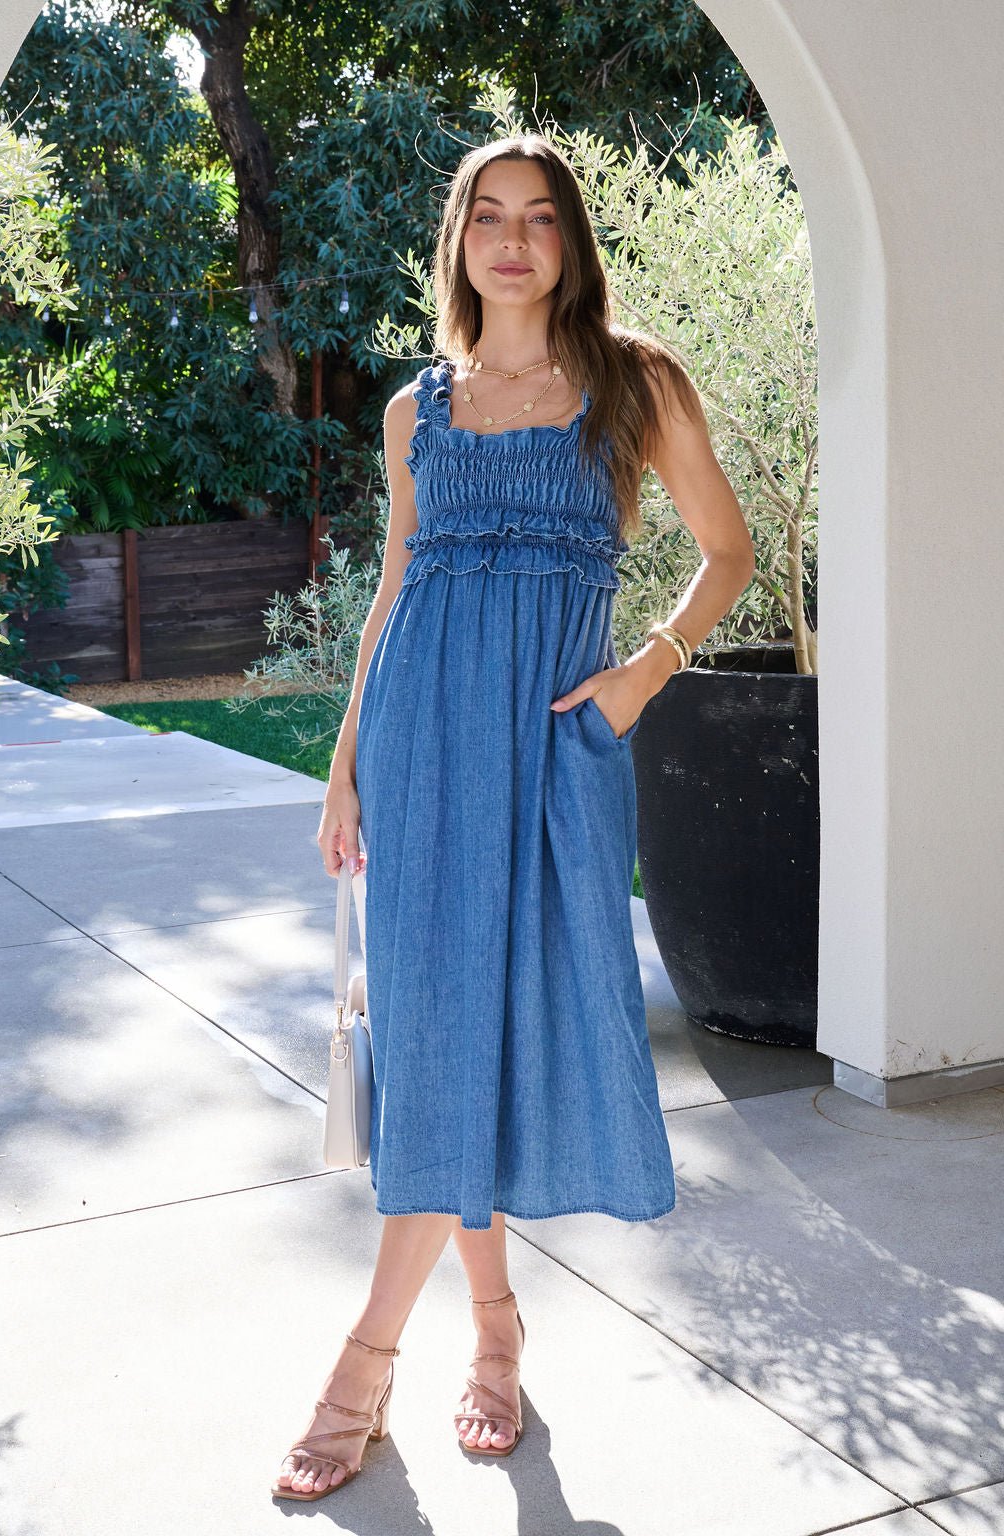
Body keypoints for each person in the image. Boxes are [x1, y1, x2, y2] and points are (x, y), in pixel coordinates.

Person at [272, 132, 755, 1503]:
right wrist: (347, 757)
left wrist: (639, 678)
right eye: (490, 214)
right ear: (460, 242)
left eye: (542, 217)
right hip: (422, 746)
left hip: (553, 749)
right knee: (437, 1040)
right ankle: (481, 1340)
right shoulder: (415, 409)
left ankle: (373, 1361)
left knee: (514, 1023)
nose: (515, 238)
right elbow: (395, 592)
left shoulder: (631, 383)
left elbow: (730, 553)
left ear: (571, 244)